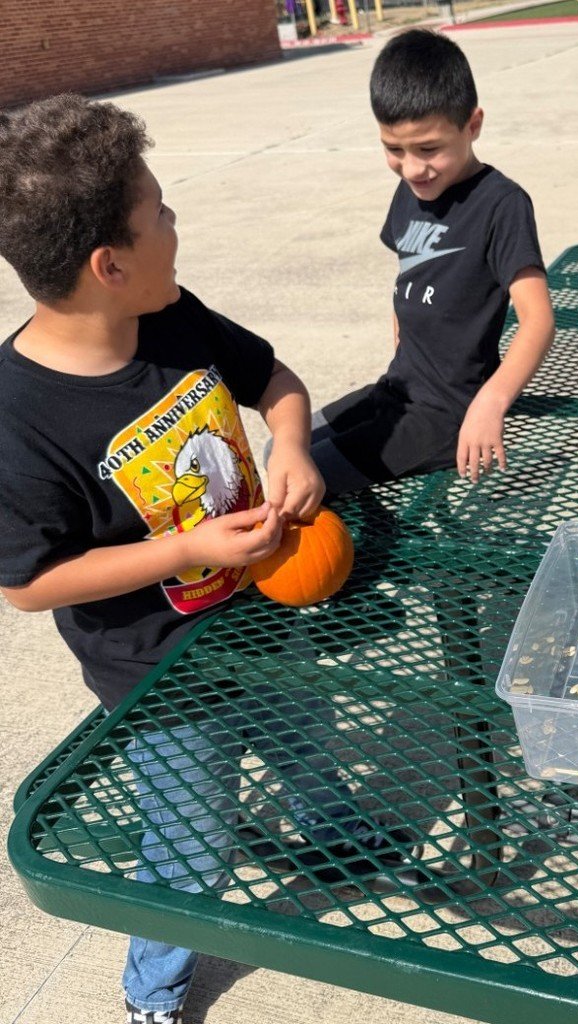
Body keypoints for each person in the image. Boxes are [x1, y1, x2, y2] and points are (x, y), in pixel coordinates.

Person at [0, 95, 405, 1024]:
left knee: (306, 729)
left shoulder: (173, 316)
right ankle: (156, 987)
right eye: (160, 213)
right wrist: (180, 548)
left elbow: (278, 383)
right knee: (192, 838)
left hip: (259, 605)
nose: (175, 225)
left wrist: (292, 446)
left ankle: (335, 833)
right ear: (109, 265)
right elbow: (27, 584)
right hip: (157, 669)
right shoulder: (20, 418)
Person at [305, 28, 555, 491]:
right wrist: (401, 343)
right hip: (397, 390)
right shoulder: (408, 192)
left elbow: (538, 320)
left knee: (307, 476)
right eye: (393, 149)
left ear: (472, 125)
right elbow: (407, 272)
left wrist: (491, 402)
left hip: (448, 412)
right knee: (282, 449)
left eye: (429, 149)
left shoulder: (501, 204)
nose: (413, 167)